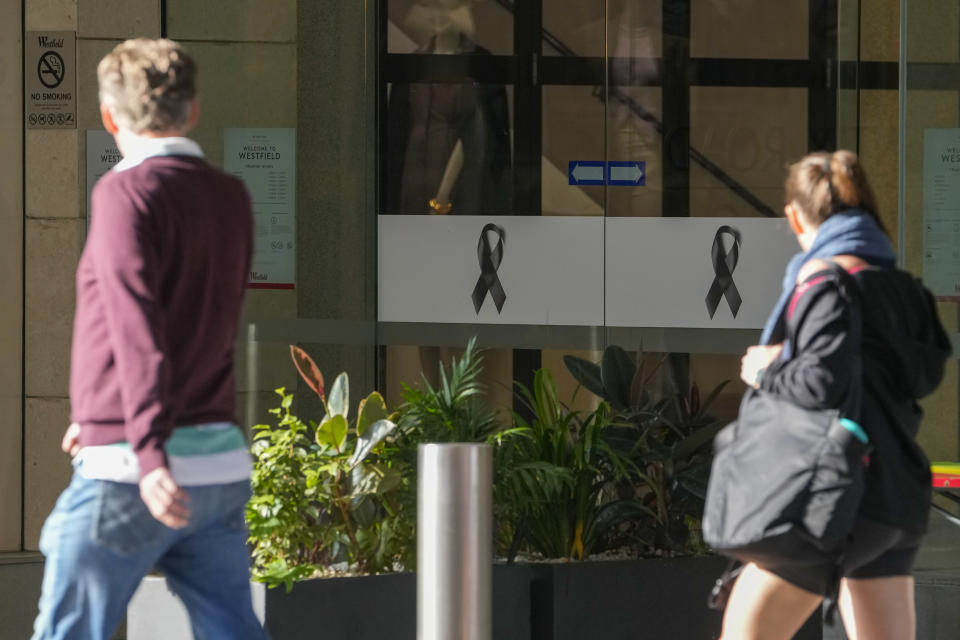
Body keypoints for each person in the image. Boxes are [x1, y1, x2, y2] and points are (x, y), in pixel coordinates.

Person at [32, 38, 267, 640]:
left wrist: (147, 448)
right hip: (217, 467)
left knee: (67, 630)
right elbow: (203, 323)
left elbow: (137, 327)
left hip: (132, 470)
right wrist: (98, 410)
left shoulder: (124, 193)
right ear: (193, 111)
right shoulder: (231, 197)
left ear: (110, 118)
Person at [721, 150, 951, 640]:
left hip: (831, 498)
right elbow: (926, 375)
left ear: (793, 216)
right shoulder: (907, 290)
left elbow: (821, 382)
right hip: (895, 497)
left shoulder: (825, 284)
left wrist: (768, 368)